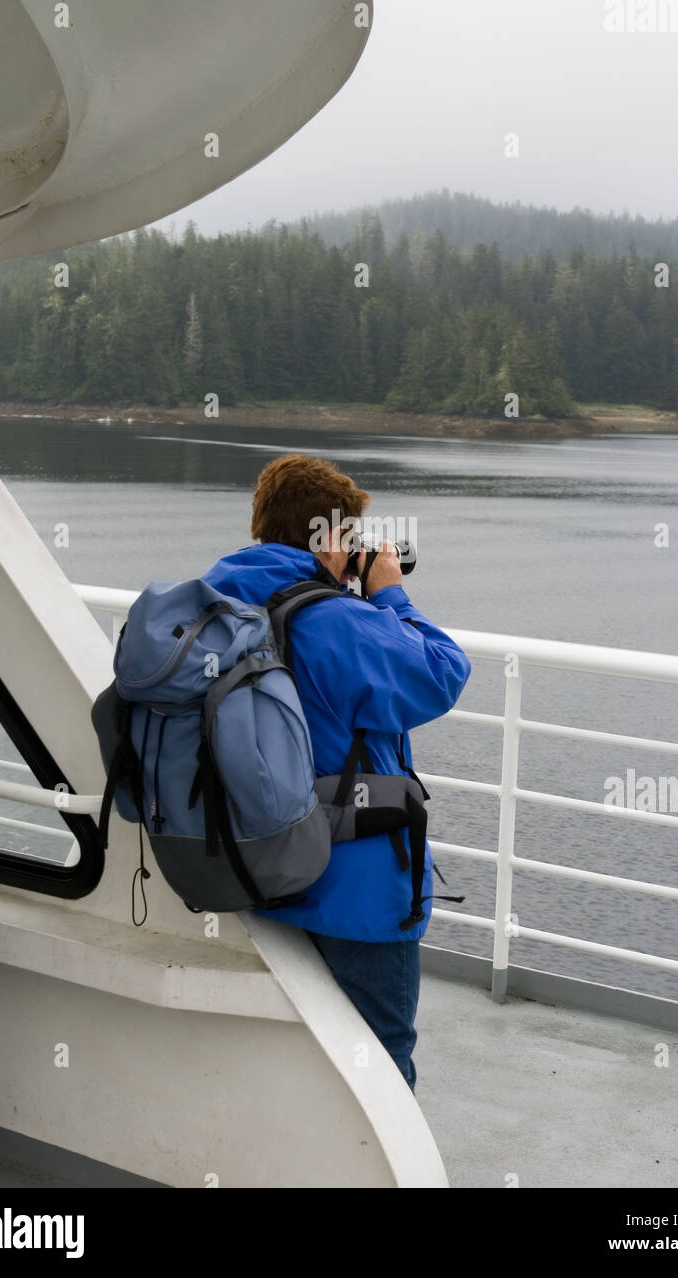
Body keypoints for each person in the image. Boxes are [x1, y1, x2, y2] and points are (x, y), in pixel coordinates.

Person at [201, 453, 471, 1090]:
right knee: (380, 1049)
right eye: (349, 535)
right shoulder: (333, 619)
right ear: (327, 538)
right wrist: (389, 594)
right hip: (348, 883)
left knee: (293, 1046)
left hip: (251, 859)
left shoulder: (217, 597)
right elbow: (441, 672)